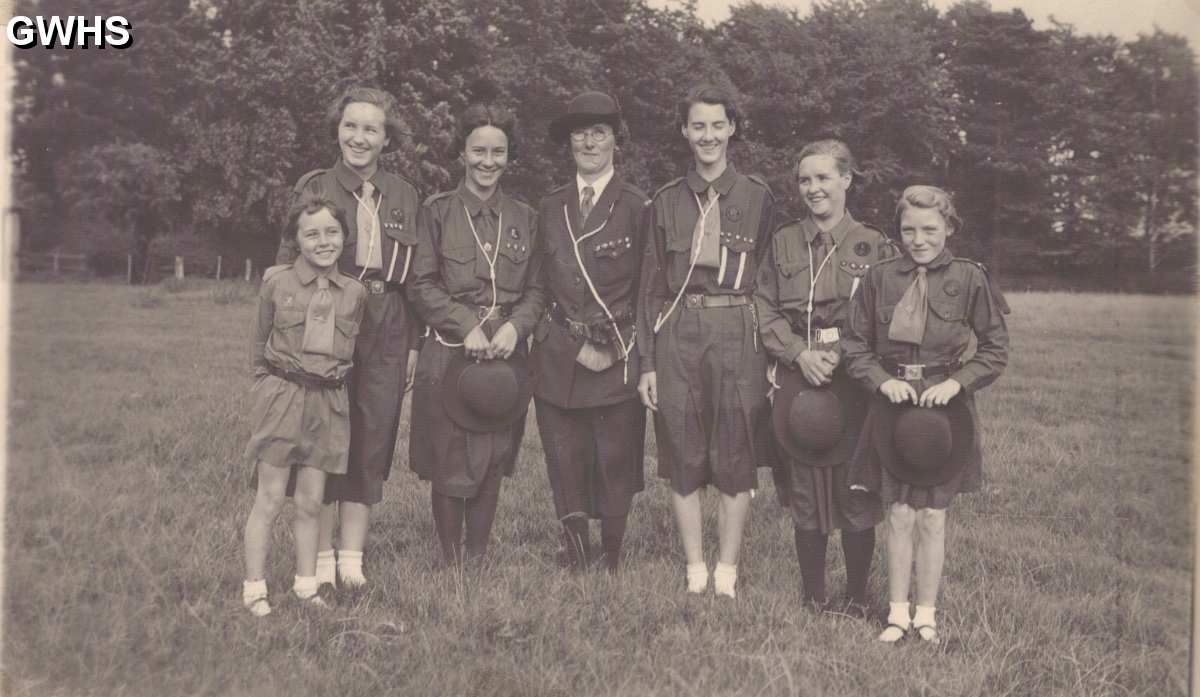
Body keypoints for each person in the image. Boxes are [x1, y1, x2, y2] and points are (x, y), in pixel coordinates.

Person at [842, 185, 1009, 643]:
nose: (918, 239)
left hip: (945, 408)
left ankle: (927, 614)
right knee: (896, 511)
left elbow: (995, 349)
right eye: (908, 229)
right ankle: (897, 614)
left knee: (933, 515)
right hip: (893, 405)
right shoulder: (879, 277)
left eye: (930, 229)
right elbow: (854, 344)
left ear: (949, 228)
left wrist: (957, 383)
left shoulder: (970, 278)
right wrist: (882, 380)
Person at [275, 86, 423, 589]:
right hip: (330, 317)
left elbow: (418, 277)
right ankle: (318, 557)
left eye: (371, 129)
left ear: (386, 139)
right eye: (351, 126)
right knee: (323, 433)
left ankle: (352, 559)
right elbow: (285, 265)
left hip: (388, 322)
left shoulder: (404, 193)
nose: (359, 138)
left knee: (373, 433)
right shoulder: (314, 186)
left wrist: (414, 345)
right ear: (338, 129)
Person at [636, 84, 775, 598]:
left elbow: (769, 277)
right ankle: (695, 566)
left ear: (732, 128)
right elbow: (649, 288)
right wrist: (647, 363)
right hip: (678, 329)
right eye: (698, 126)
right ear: (684, 131)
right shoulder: (666, 200)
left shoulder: (759, 196)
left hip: (738, 328)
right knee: (681, 443)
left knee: (736, 444)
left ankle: (727, 570)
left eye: (718, 125)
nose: (708, 136)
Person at [754, 139, 896, 615]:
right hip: (800, 374)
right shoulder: (783, 242)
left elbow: (887, 315)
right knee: (805, 483)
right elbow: (764, 306)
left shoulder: (874, 244)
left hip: (853, 377)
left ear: (846, 179)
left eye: (823, 178)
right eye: (804, 180)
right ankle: (812, 596)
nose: (813, 189)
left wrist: (842, 353)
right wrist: (798, 353)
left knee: (856, 486)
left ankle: (857, 597)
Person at [408, 103, 545, 566]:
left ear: (509, 156)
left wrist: (515, 326)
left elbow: (538, 288)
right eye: (479, 151)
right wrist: (464, 324)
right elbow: (420, 283)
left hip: (506, 350)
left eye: (499, 152)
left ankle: (478, 556)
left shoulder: (525, 216)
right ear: (462, 154)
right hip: (450, 348)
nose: (489, 162)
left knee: (493, 451)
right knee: (450, 453)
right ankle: (449, 560)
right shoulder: (437, 211)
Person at [531, 91, 648, 574]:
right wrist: (566, 343)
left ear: (616, 141)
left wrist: (619, 347)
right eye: (580, 133)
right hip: (561, 349)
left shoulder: (639, 205)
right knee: (565, 453)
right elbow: (539, 283)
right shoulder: (551, 205)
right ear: (569, 143)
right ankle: (576, 550)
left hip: (616, 349)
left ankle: (613, 551)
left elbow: (649, 288)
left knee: (615, 454)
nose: (589, 141)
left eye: (599, 132)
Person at [243, 196, 367, 616]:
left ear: (345, 238)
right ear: (296, 240)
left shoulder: (354, 292)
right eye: (311, 233)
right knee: (271, 497)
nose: (323, 241)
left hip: (328, 401)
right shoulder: (276, 282)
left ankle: (305, 586)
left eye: (332, 232)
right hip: (282, 395)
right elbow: (258, 344)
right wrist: (265, 388)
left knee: (312, 501)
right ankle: (254, 587)